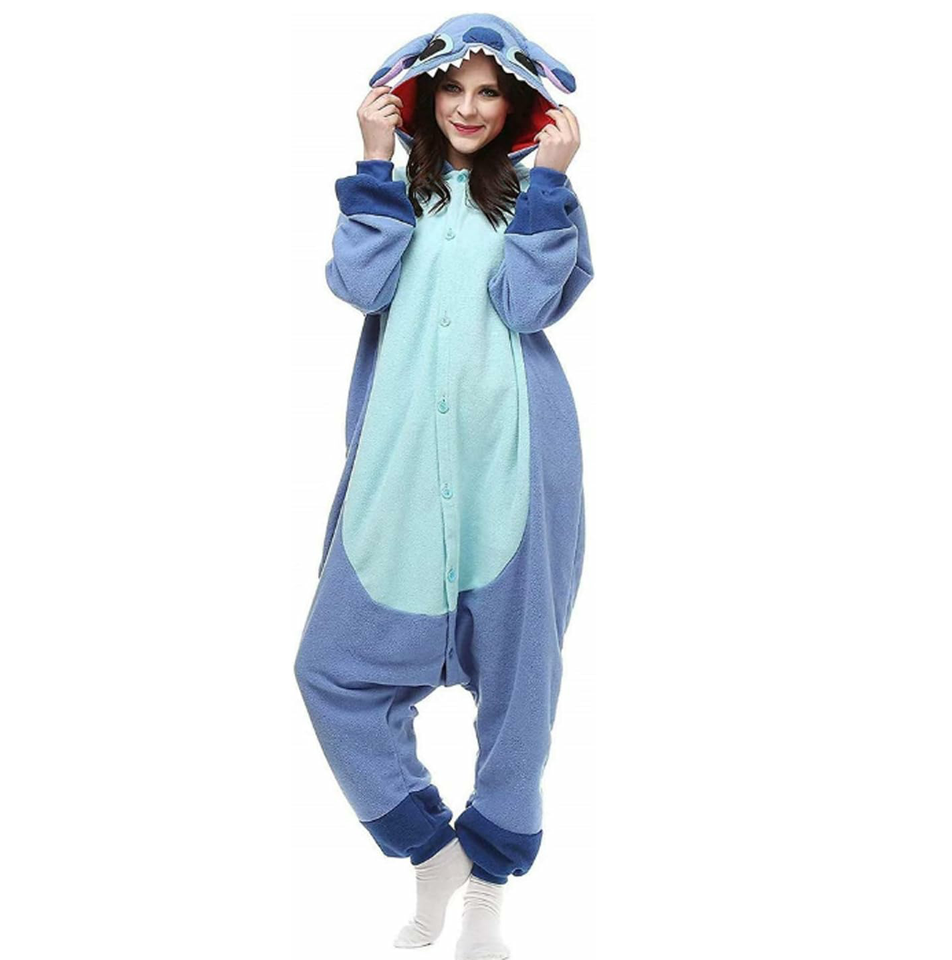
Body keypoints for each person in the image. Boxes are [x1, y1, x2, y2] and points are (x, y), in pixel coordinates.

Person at [294, 14, 594, 959]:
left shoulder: (537, 199)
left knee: (520, 685)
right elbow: (361, 286)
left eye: (489, 92)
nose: (469, 108)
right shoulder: (396, 193)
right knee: (329, 670)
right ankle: (436, 854)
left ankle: (488, 896)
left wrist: (553, 183)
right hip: (400, 466)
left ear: (516, 107)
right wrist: (372, 160)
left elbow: (529, 304)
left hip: (514, 464)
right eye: (453, 89)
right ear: (425, 98)